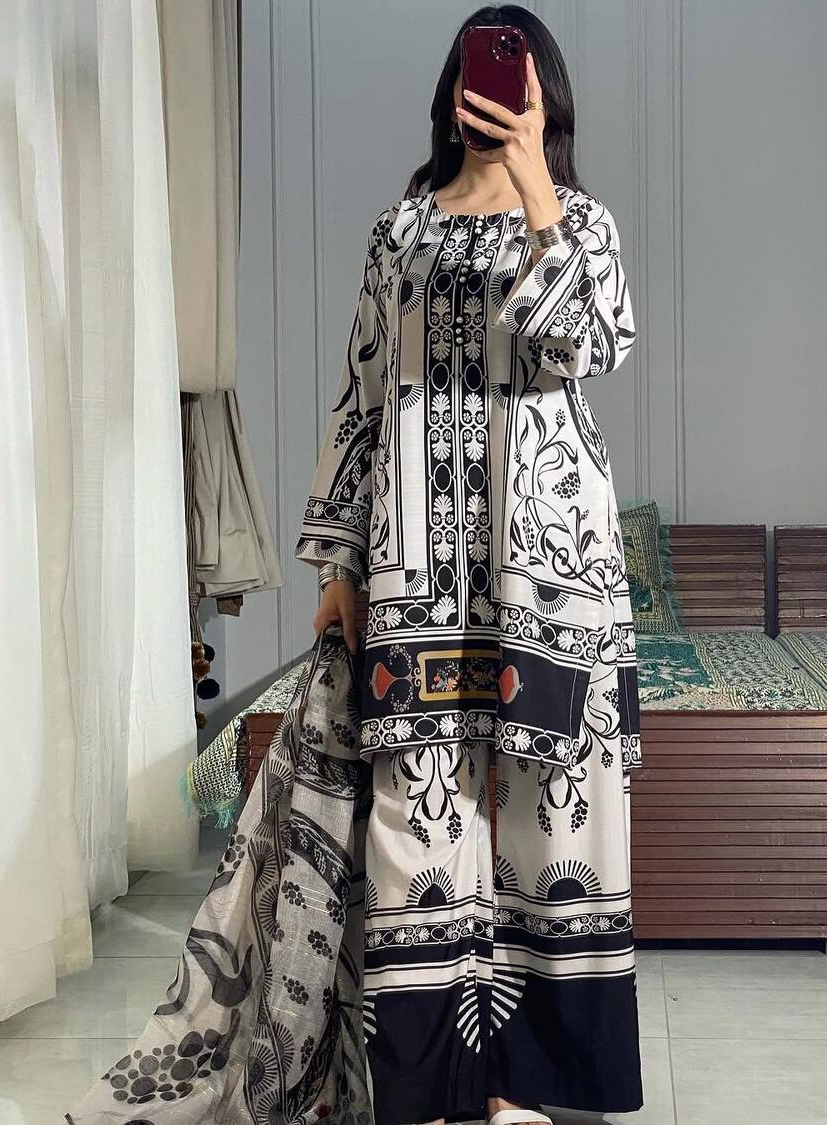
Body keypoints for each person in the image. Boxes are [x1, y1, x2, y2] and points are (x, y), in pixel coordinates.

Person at [294, 6, 643, 1125]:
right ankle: (437, 1087)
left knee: (557, 812)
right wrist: (337, 560)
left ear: (544, 98)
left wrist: (540, 193)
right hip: (412, 570)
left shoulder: (582, 225)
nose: (488, 95)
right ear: (452, 94)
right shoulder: (399, 232)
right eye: (473, 76)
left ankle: (528, 1086)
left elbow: (585, 348)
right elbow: (360, 393)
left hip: (551, 571)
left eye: (513, 81)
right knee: (417, 819)